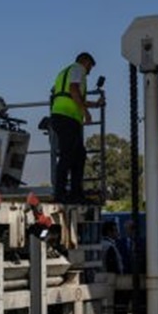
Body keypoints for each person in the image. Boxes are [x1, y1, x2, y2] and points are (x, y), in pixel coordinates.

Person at [48, 52, 99, 204]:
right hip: (67, 117)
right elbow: (73, 90)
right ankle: (61, 194)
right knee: (68, 155)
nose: (89, 71)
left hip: (61, 116)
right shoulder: (78, 69)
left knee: (78, 155)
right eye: (90, 66)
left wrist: (95, 104)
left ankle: (75, 193)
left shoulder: (64, 72)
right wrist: (85, 112)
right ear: (84, 61)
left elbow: (72, 96)